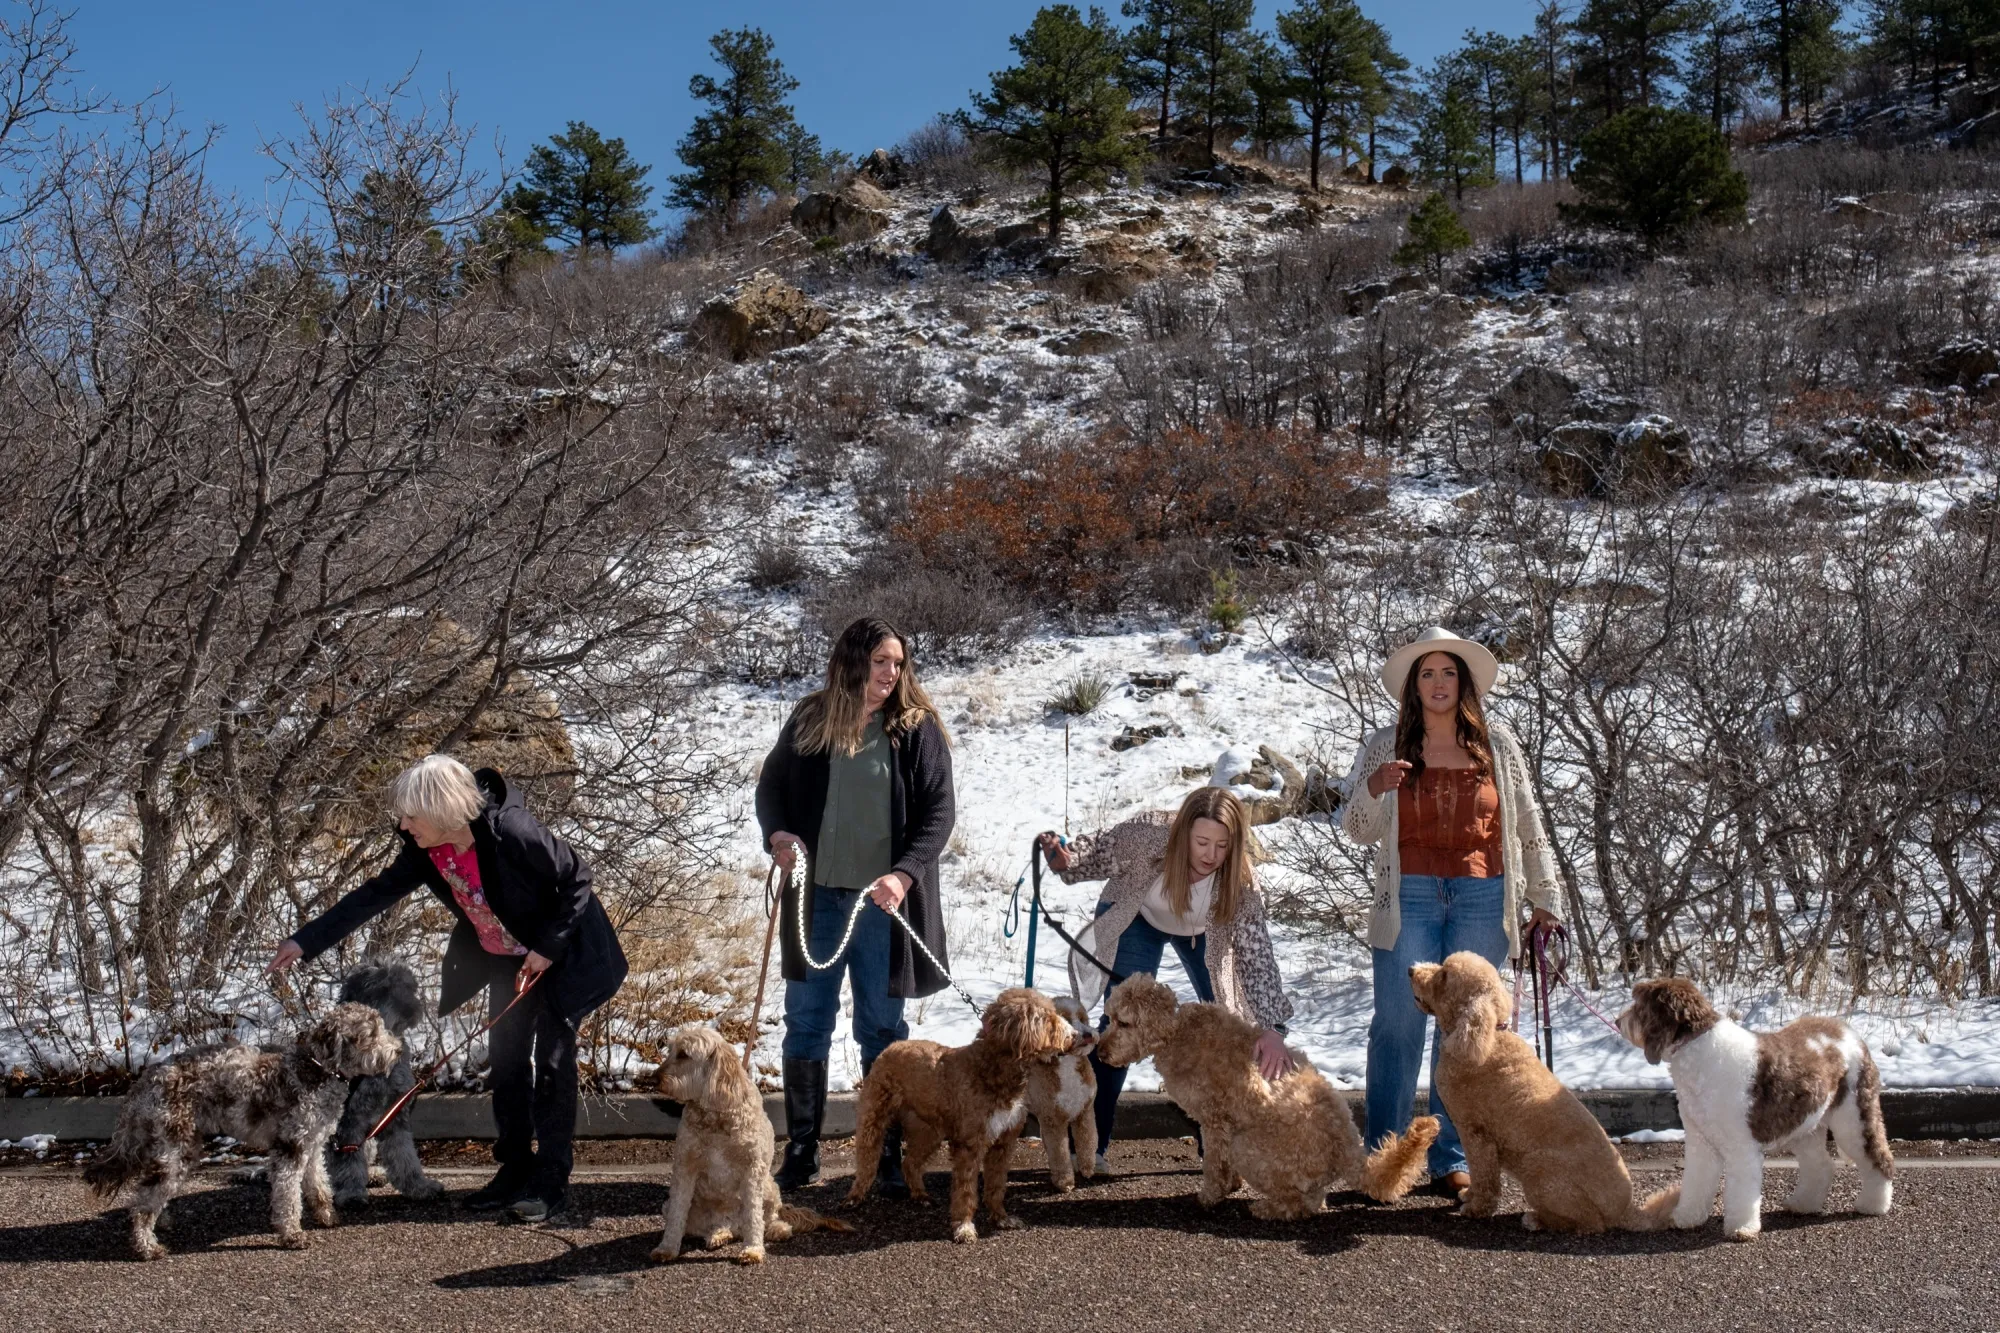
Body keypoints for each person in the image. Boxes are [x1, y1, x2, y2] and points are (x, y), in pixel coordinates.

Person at [268, 754, 627, 1222]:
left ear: (441, 810)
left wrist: (547, 947)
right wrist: (305, 940)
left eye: (410, 816)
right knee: (506, 1061)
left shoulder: (513, 831)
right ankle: (515, 1170)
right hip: (509, 959)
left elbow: (577, 878)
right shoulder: (427, 850)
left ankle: (550, 1184)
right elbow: (373, 894)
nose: (403, 825)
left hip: (564, 954)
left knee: (553, 1063)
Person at [1339, 626, 1562, 1195]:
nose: (1438, 683)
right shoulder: (1385, 743)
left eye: (1448, 672)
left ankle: (1450, 1158)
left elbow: (1527, 823)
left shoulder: (1498, 746)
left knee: (1464, 1030)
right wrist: (1374, 787)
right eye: (1427, 673)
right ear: (1413, 686)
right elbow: (1356, 829)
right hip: (1407, 897)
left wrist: (1545, 897)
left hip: (1483, 896)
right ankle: (1384, 1159)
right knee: (1398, 1024)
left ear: (1463, 683)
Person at [756, 616, 956, 1195]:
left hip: (882, 908)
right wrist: (778, 835)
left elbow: (939, 813)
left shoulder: (915, 728)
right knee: (806, 1021)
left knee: (881, 1027)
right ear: (852, 662)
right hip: (815, 899)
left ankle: (886, 1152)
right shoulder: (811, 717)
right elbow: (771, 788)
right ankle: (802, 1150)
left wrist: (904, 874)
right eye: (879, 662)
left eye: (898, 663)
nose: (891, 673)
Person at [1039, 785, 1294, 1174]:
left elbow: (1258, 958)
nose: (1211, 855)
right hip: (1139, 918)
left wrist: (1273, 1027)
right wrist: (1066, 859)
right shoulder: (1149, 835)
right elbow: (1099, 850)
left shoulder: (1241, 884)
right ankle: (1090, 1149)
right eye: (1202, 842)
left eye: (1222, 845)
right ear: (1183, 833)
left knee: (1230, 1027)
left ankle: (1222, 1151)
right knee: (1120, 1025)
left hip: (1204, 934)